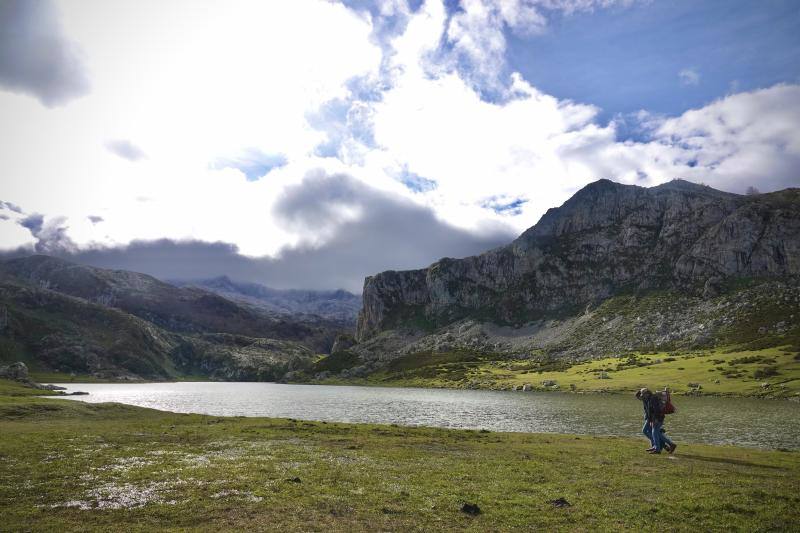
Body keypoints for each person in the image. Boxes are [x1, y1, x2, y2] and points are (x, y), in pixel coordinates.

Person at [635, 388, 677, 454]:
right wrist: (651, 419)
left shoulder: (653, 399)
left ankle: (659, 448)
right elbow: (650, 411)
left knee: (655, 432)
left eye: (643, 395)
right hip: (655, 418)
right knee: (655, 432)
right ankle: (661, 446)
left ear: (647, 393)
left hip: (657, 418)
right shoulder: (650, 398)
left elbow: (656, 410)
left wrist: (655, 419)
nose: (642, 396)